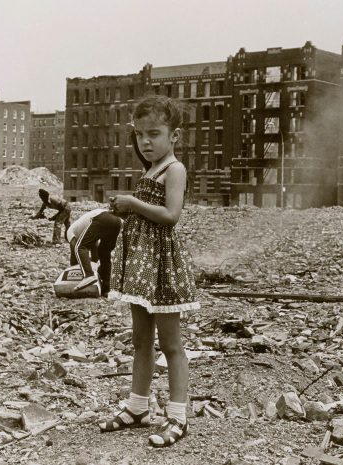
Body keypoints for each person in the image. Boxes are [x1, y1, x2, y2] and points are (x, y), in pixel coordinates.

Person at [100, 95, 199, 448]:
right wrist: (124, 211)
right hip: (141, 265)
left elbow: (172, 215)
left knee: (171, 344)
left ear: (175, 136)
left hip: (161, 266)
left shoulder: (175, 169)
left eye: (154, 133)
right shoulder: (149, 168)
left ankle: (178, 416)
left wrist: (133, 204)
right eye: (140, 134)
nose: (146, 141)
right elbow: (146, 215)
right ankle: (138, 407)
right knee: (141, 339)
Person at [66, 207, 123, 297]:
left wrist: (74, 269)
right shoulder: (84, 230)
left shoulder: (69, 232)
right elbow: (95, 251)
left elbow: (74, 249)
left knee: (80, 247)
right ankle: (106, 289)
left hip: (101, 217)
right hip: (117, 221)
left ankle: (88, 275)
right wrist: (94, 266)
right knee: (104, 252)